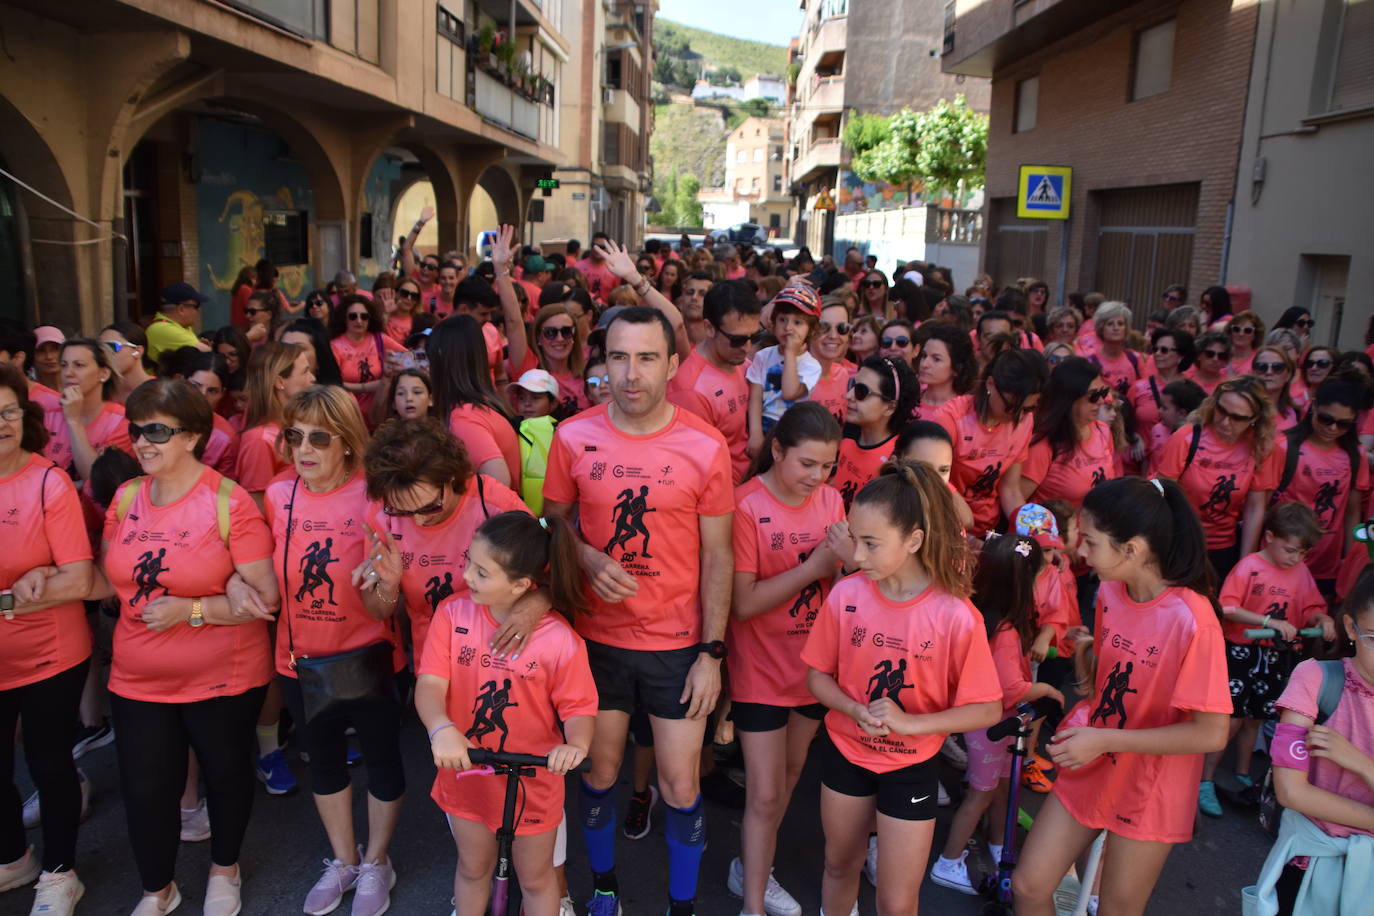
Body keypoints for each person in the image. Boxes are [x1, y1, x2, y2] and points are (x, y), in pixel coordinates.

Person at [543, 306, 734, 916]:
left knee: (681, 785)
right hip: (595, 643)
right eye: (619, 357)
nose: (631, 373)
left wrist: (712, 654)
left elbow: (720, 557)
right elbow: (552, 523)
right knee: (599, 775)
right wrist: (585, 557)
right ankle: (604, 889)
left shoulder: (705, 446)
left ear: (672, 364)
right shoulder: (573, 435)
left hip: (677, 647)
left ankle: (682, 906)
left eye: (647, 357)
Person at [95, 379, 279, 916]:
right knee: (146, 789)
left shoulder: (230, 503)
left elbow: (265, 598)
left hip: (223, 674)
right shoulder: (127, 496)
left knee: (224, 774)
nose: (143, 442)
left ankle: (226, 868)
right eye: (137, 430)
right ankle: (158, 889)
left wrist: (191, 609)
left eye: (157, 430)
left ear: (194, 435)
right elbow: (108, 578)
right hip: (137, 675)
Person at [1011, 476, 1231, 915]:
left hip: (1151, 785)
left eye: (1090, 542)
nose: (1080, 552)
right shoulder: (1110, 591)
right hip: (1095, 758)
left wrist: (1107, 739)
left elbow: (1211, 734)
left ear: (1132, 550)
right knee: (1029, 885)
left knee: (1116, 909)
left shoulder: (1193, 619)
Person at [802, 461, 1001, 916]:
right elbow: (816, 678)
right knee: (838, 867)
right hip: (845, 753)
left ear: (914, 540)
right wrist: (853, 709)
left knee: (896, 901)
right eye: (855, 540)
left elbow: (987, 709)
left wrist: (912, 724)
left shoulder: (955, 614)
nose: (859, 554)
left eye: (872, 544)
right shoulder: (846, 595)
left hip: (911, 766)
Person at [262, 387, 405, 916]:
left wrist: (386, 586)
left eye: (319, 437)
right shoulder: (279, 495)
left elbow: (381, 605)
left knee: (384, 764)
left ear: (346, 442)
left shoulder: (373, 497)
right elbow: (266, 576)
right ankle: (344, 860)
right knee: (322, 763)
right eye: (294, 435)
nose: (304, 448)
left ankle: (378, 862)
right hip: (298, 660)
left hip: (365, 655)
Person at [416, 511, 597, 916]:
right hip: (468, 775)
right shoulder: (452, 613)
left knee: (536, 879)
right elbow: (430, 684)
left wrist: (577, 744)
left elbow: (579, 707)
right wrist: (440, 728)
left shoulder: (560, 641)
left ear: (521, 585)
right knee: (472, 868)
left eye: (482, 572)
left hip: (533, 780)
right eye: (468, 563)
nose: (466, 577)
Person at [728, 403, 846, 916]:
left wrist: (845, 570)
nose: (817, 477)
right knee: (765, 794)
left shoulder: (832, 500)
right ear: (777, 450)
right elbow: (743, 603)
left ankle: (751, 868)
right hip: (759, 671)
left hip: (813, 670)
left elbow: (842, 590)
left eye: (827, 466)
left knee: (790, 779)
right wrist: (816, 566)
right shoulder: (745, 506)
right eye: (807, 464)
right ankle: (752, 901)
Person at [0, 364, 94, 915]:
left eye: (9, 412)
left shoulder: (47, 481)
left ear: (25, 417)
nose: (1, 424)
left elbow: (79, 578)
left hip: (50, 656)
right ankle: (14, 856)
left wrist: (12, 597)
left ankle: (61, 873)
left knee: (48, 763)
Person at [930, 533, 1063, 894]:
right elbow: (1012, 689)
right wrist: (1048, 690)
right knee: (980, 794)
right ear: (1024, 580)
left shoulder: (990, 615)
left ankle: (998, 842)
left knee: (1003, 787)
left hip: (999, 726)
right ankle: (949, 861)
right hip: (992, 727)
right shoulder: (1006, 630)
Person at [1200, 503, 1333, 818]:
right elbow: (1228, 608)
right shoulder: (1249, 567)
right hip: (1241, 650)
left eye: (1302, 554)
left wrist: (1323, 618)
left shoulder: (1301, 572)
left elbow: (1313, 605)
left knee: (1256, 719)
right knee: (1230, 719)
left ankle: (1244, 775)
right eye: (1290, 550)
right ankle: (1204, 779)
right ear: (1269, 537)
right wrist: (1268, 622)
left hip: (1275, 655)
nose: (1295, 559)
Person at [1256, 566, 1374, 915]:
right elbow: (1291, 791)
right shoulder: (1315, 678)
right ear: (1351, 628)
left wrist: (1360, 763)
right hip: (1307, 866)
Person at [362, 418, 526, 665]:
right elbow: (378, 611)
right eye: (402, 511)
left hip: (498, 658)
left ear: (451, 478)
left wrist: (531, 609)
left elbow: (550, 575)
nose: (418, 521)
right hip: (432, 663)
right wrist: (389, 585)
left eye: (430, 507)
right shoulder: (381, 514)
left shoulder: (492, 502)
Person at [1157, 376, 1280, 580]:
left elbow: (1255, 507)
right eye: (1221, 410)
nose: (1225, 422)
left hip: (1225, 545)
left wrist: (1245, 562)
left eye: (1237, 417)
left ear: (1254, 419)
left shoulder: (1261, 448)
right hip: (1181, 541)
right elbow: (1162, 493)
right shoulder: (1186, 437)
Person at [1272, 373, 1372, 594]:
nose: (1333, 428)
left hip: (1326, 564)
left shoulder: (1356, 455)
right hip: (1282, 555)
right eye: (1326, 419)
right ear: (1313, 408)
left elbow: (1351, 513)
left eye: (1343, 424)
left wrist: (1349, 560)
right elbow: (1261, 503)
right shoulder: (1284, 447)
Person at [932, 349, 1047, 537]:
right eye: (1011, 407)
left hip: (989, 528)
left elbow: (1010, 489)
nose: (1019, 416)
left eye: (1028, 408)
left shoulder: (1025, 421)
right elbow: (934, 485)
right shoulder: (950, 419)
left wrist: (1037, 535)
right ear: (991, 384)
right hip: (946, 526)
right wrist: (963, 538)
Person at [668, 280, 761, 484]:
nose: (747, 347)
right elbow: (696, 470)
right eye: (737, 340)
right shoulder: (691, 390)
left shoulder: (740, 361)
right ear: (709, 328)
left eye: (754, 336)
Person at [427, 315, 521, 488]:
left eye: (429, 359)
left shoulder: (464, 418)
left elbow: (499, 481)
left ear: (441, 361)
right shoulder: (485, 404)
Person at [1022, 357, 1116, 510]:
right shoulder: (1044, 444)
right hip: (1054, 532)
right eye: (1093, 395)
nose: (1100, 401)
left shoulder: (1103, 431)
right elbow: (1017, 500)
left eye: (1103, 392)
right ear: (1070, 398)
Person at [832, 356, 920, 513]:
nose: (848, 396)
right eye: (852, 385)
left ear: (890, 407)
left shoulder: (901, 457)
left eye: (861, 391)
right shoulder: (850, 429)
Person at [747, 286, 823, 453]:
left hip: (794, 428)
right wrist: (755, 434)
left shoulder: (811, 366)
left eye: (797, 322)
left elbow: (790, 393)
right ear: (773, 323)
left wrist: (790, 353)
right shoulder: (763, 356)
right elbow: (755, 397)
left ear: (811, 329)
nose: (788, 328)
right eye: (782, 319)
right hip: (764, 422)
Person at [235, 342, 315, 501]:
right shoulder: (259, 440)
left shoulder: (296, 424)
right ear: (280, 382)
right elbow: (258, 506)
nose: (312, 378)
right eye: (305, 372)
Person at [50, 339, 133, 482]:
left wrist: (74, 421)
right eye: (64, 365)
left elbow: (96, 480)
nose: (68, 373)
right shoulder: (48, 415)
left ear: (104, 374)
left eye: (79, 365)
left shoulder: (121, 422)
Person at [329, 294, 404, 424]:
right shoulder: (335, 346)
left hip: (380, 416)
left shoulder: (379, 339)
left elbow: (409, 357)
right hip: (348, 418)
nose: (359, 320)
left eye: (364, 316)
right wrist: (371, 386)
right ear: (344, 319)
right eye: (353, 316)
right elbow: (333, 385)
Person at [516, 306, 589, 419]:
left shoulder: (588, 374)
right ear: (538, 337)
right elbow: (513, 322)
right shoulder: (529, 371)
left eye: (566, 331)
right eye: (550, 332)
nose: (560, 338)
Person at [1129, 328, 1195, 448]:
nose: (1158, 354)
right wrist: (1133, 436)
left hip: (1175, 459)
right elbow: (1124, 420)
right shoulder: (1138, 387)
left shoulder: (1191, 389)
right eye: (1155, 349)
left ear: (1180, 355)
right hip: (1141, 461)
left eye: (1164, 350)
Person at [178, 352, 240, 479]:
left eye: (212, 391)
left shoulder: (226, 438)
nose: (202, 395)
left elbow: (224, 489)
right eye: (195, 386)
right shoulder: (159, 415)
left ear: (222, 393)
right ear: (182, 381)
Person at [914, 323, 977, 416]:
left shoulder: (967, 411)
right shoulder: (909, 400)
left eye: (936, 359)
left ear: (956, 368)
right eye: (924, 355)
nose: (924, 364)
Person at [146, 283, 211, 362]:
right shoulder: (163, 329)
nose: (199, 310)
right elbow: (208, 356)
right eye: (196, 306)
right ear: (181, 309)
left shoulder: (181, 326)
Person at [1087, 302, 1142, 395]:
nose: (1116, 328)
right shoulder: (1090, 361)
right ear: (1101, 328)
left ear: (1126, 329)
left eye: (1120, 324)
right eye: (1110, 324)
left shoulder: (1135, 358)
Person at [99, 322, 155, 404]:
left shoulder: (162, 391)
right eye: (100, 349)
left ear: (137, 351)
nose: (105, 354)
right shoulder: (98, 393)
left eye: (112, 346)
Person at [1252, 345, 1302, 431]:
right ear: (1254, 373)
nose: (1269, 372)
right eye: (1261, 366)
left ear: (1288, 375)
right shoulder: (1241, 408)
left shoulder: (1296, 412)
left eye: (1277, 367)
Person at [1189, 330, 1231, 395]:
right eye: (1210, 354)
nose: (1215, 359)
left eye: (1221, 355)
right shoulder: (1185, 380)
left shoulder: (1228, 386)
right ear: (1199, 355)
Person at [386, 277, 423, 344]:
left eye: (414, 296)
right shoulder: (385, 316)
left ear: (417, 300)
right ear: (396, 293)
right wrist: (386, 314)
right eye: (404, 293)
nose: (409, 298)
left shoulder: (419, 321)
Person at [1228, 310, 1265, 376]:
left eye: (1247, 330)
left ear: (1255, 335)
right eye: (1236, 329)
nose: (1241, 334)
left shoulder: (1261, 359)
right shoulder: (1219, 355)